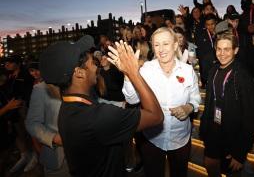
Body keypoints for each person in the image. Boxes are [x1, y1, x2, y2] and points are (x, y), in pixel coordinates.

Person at [39, 35, 163, 177]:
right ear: (79, 73)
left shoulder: (68, 107)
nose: (96, 65)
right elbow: (156, 116)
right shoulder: (97, 117)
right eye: (92, 61)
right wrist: (133, 72)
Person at [122, 27, 201, 177]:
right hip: (152, 138)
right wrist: (128, 74)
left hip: (180, 138)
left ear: (175, 45)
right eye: (157, 45)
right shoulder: (146, 70)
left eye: (165, 43)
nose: (161, 49)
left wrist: (189, 107)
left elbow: (196, 98)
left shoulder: (187, 71)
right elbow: (132, 99)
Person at [200, 32, 254, 177]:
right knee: (210, 164)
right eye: (219, 49)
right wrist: (204, 128)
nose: (222, 53)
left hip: (232, 134)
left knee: (231, 171)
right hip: (214, 130)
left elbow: (250, 115)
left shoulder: (242, 75)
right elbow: (209, 103)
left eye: (227, 49)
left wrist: (240, 152)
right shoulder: (213, 70)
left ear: (235, 50)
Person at [25, 68, 70, 176]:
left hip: (86, 155)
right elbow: (32, 123)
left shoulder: (86, 83)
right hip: (59, 159)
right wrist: (54, 138)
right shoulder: (41, 89)